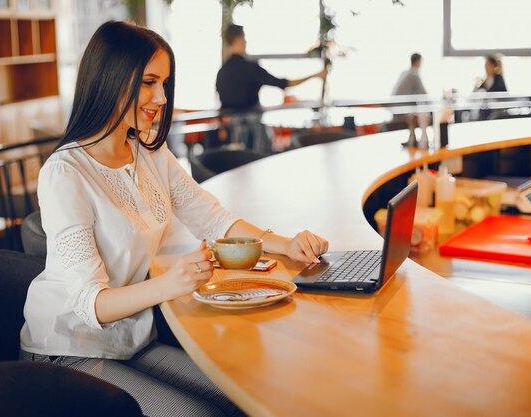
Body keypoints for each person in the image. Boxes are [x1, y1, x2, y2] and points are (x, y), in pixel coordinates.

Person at [19, 21, 329, 417]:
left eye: (164, 83)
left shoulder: (149, 152)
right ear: (111, 79)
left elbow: (213, 219)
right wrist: (171, 283)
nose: (161, 97)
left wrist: (285, 244)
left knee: (243, 395)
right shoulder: (65, 173)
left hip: (130, 340)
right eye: (149, 82)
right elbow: (89, 304)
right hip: (67, 350)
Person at [215, 24, 327, 151]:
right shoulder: (250, 69)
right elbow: (285, 84)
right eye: (244, 38)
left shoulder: (222, 73)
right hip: (253, 137)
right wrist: (315, 75)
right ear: (239, 38)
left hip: (229, 139)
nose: (245, 42)